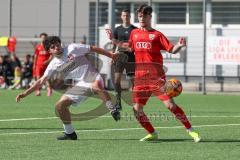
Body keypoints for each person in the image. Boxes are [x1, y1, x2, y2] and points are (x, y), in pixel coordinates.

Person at [16, 36, 120, 140]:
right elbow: (40, 81)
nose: (57, 47)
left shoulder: (72, 48)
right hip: (80, 84)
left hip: (92, 76)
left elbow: (93, 48)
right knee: (59, 106)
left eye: (57, 44)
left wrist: (111, 55)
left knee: (96, 86)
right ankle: (69, 133)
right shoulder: (53, 64)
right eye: (53, 46)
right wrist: (25, 93)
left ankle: (112, 108)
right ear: (49, 51)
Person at [129, 4, 201, 142]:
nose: (141, 18)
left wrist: (180, 45)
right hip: (140, 79)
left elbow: (172, 49)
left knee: (170, 105)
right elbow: (130, 49)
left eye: (144, 15)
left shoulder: (157, 35)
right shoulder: (134, 34)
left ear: (150, 17)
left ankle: (191, 130)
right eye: (139, 16)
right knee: (136, 110)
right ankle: (152, 133)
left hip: (156, 77)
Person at [111, 9, 137, 110]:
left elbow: (136, 44)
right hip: (120, 57)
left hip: (131, 58)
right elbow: (114, 44)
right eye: (124, 15)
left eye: (127, 15)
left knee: (133, 82)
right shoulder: (117, 30)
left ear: (130, 17)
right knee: (116, 81)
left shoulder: (135, 30)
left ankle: (136, 103)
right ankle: (118, 103)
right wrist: (112, 55)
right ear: (121, 17)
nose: (125, 17)